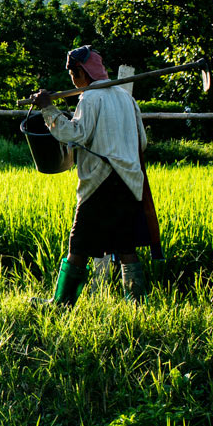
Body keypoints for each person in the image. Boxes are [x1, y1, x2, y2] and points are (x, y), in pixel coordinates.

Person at [29, 45, 160, 305]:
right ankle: (138, 306)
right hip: (129, 181)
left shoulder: (90, 98)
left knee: (78, 245)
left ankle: (61, 304)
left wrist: (48, 109)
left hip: (101, 182)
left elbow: (73, 134)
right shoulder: (126, 98)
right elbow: (141, 142)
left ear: (80, 71)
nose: (71, 79)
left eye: (71, 72)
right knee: (126, 247)